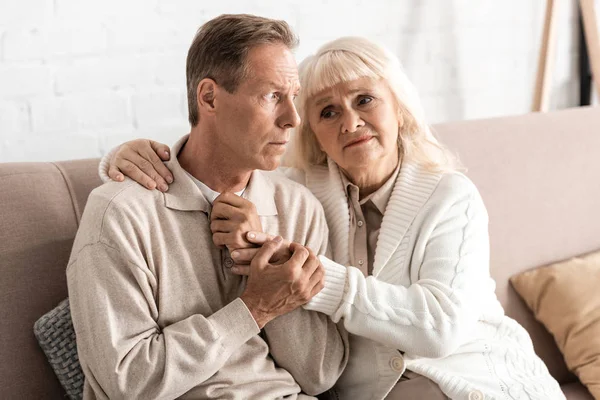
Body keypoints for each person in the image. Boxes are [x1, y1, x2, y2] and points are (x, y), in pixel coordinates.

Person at [102, 37, 566, 399]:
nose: (349, 123)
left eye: (364, 100)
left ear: (398, 108)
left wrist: (314, 278)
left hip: (475, 376)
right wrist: (125, 157)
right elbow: (222, 153)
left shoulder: (450, 196)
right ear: (313, 133)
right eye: (328, 112)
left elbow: (439, 328)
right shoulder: (301, 192)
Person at [67, 14, 349, 400]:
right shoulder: (120, 213)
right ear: (210, 97)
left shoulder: (298, 207)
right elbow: (130, 381)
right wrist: (254, 308)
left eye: (293, 97)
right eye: (272, 96)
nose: (293, 119)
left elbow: (320, 374)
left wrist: (266, 265)